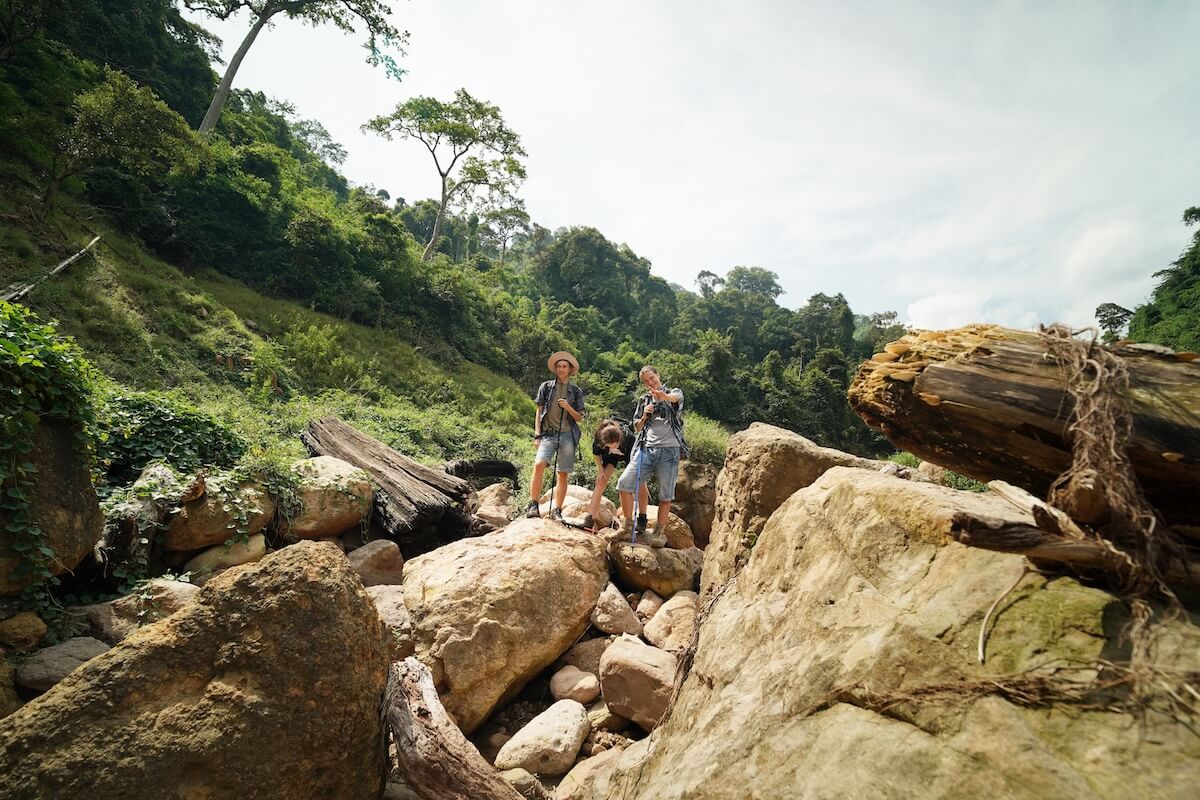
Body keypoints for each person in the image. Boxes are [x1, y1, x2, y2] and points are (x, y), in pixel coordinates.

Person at [615, 365, 689, 545]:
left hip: (669, 450)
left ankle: (658, 532)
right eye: (646, 381)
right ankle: (628, 526)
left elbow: (675, 399)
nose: (650, 382)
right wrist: (645, 416)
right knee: (624, 483)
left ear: (658, 375)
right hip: (646, 448)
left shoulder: (674, 392)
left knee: (665, 495)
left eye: (652, 378)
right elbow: (637, 427)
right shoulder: (644, 400)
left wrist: (662, 396)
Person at [526, 351, 585, 520]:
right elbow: (538, 412)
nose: (561, 369)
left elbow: (579, 417)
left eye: (564, 366)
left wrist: (568, 407)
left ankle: (557, 510)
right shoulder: (546, 387)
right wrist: (537, 435)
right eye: (558, 366)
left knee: (562, 473)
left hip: (568, 435)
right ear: (555, 369)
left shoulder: (576, 391)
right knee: (538, 465)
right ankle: (533, 505)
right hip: (548, 435)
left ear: (570, 369)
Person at [582, 418, 633, 530]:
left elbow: (633, 464)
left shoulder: (629, 438)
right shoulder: (600, 438)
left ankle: (629, 520)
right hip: (609, 457)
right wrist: (600, 470)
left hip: (628, 455)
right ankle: (590, 518)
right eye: (609, 445)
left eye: (614, 445)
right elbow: (596, 454)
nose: (613, 447)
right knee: (601, 482)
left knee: (628, 485)